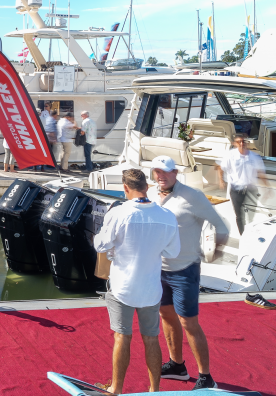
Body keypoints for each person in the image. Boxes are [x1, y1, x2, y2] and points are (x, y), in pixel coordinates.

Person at [94, 168, 180, 395]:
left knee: (122, 336)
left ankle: (116, 389)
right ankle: (154, 390)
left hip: (122, 287)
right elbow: (172, 253)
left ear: (125, 188)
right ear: (147, 187)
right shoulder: (167, 216)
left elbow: (101, 245)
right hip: (151, 288)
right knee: (151, 339)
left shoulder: (118, 213)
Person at [152, 155, 229, 389]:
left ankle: (206, 377)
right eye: (157, 171)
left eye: (166, 171)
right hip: (158, 269)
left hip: (185, 270)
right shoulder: (151, 195)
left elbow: (221, 225)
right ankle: (177, 366)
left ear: (175, 172)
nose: (161, 176)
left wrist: (215, 251)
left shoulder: (192, 196)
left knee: (189, 323)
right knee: (166, 315)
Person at [218, 134, 268, 235]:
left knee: (251, 215)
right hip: (236, 190)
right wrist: (221, 181)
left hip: (251, 189)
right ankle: (243, 235)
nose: (241, 144)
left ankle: (250, 234)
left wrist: (267, 188)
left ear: (247, 143)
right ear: (234, 144)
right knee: (239, 215)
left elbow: (261, 173)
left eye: (243, 141)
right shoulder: (230, 156)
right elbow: (221, 168)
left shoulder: (255, 157)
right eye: (239, 142)